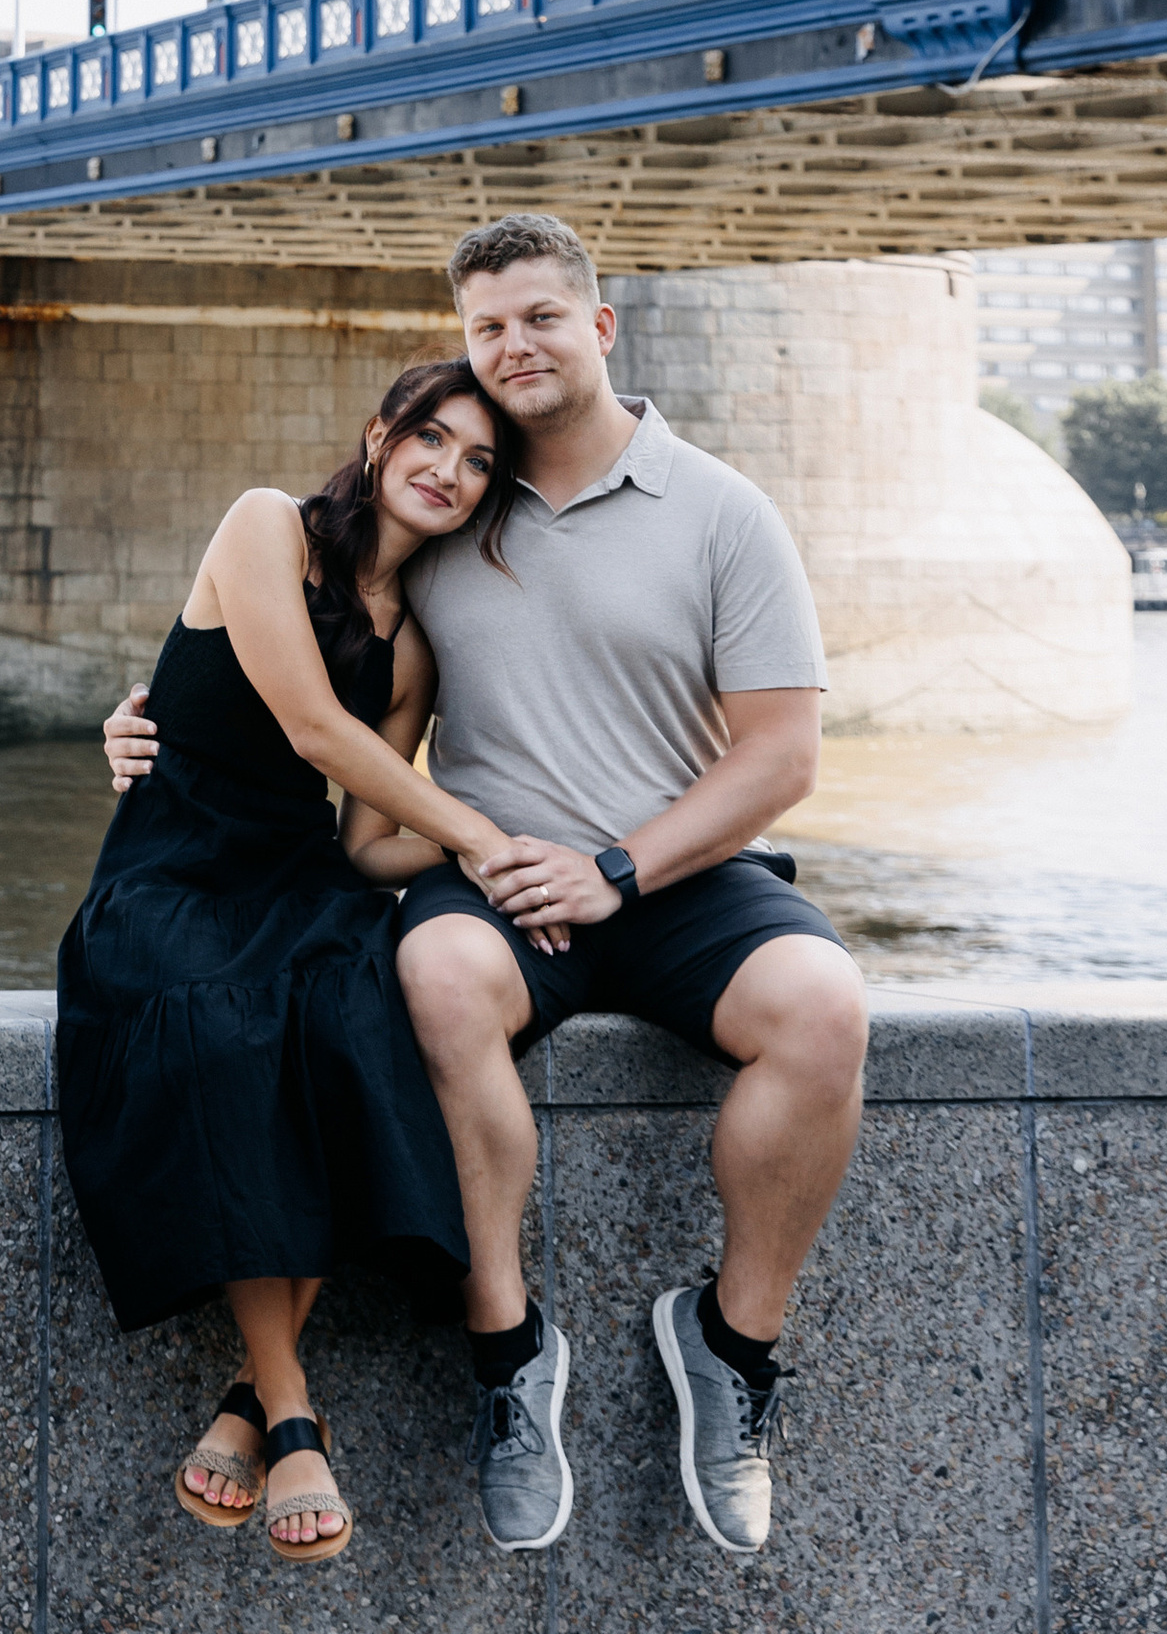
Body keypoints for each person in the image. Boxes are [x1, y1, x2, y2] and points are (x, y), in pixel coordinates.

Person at [104, 209, 867, 1564]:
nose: (512, 347)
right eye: (486, 327)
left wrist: (621, 865)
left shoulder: (721, 510)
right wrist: (152, 720)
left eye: (540, 318)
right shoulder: (451, 512)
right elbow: (300, 658)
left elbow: (787, 754)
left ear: (601, 328)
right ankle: (509, 1350)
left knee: (823, 1008)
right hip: (503, 889)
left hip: (672, 873)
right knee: (427, 976)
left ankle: (732, 1349)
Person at [57, 357, 551, 1571]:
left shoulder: (415, 646)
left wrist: (498, 868)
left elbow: (364, 837)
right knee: (224, 1030)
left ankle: (250, 1397)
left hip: (293, 878)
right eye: (431, 439)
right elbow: (307, 729)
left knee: (356, 1015)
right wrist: (480, 835)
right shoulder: (265, 523)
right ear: (382, 437)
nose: (448, 470)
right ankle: (289, 1407)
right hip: (169, 874)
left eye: (479, 461)